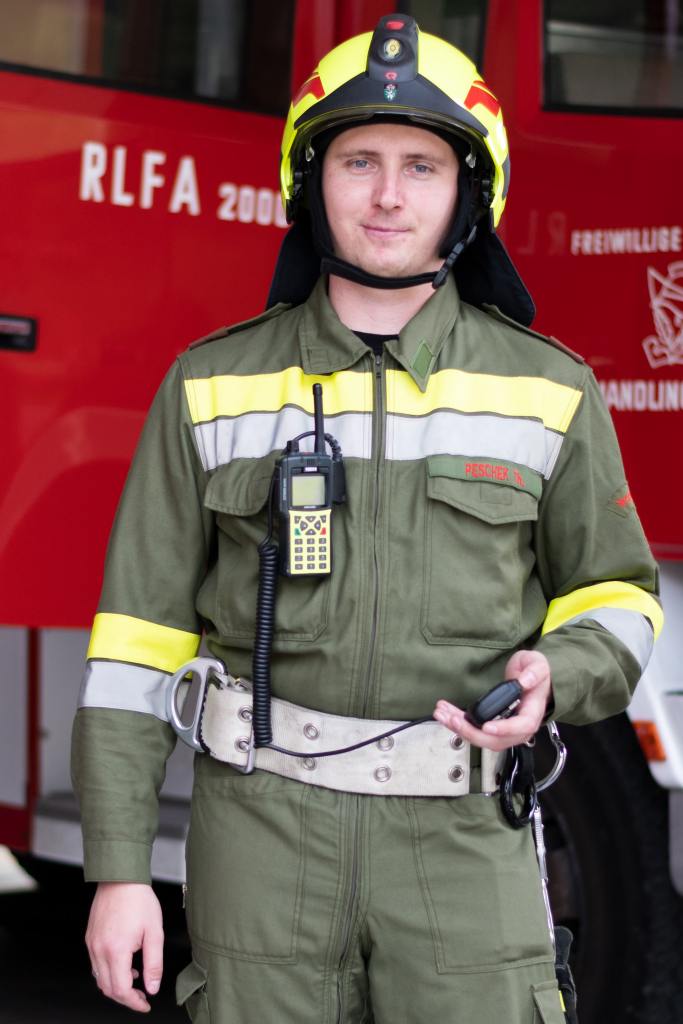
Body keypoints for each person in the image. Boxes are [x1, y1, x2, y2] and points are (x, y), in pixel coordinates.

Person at [72, 14, 662, 1023]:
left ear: (468, 192)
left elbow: (618, 596)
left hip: (460, 841)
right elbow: (136, 644)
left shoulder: (547, 388)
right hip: (260, 840)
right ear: (310, 182)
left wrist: (555, 674)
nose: (388, 196)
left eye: (421, 167)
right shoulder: (211, 383)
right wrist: (120, 869)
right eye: (357, 161)